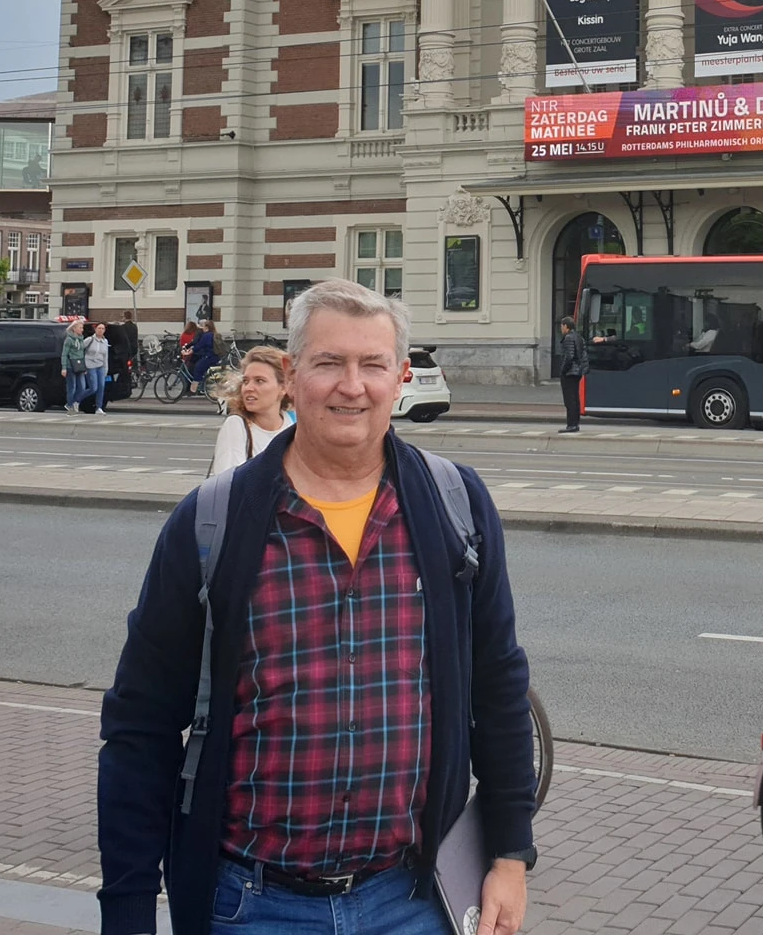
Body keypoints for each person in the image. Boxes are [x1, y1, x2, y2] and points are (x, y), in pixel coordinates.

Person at [98, 279, 536, 935]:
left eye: (372, 365)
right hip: (253, 904)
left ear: (401, 378)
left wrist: (509, 854)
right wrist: (128, 910)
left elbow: (499, 686)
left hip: (413, 900)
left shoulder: (456, 507)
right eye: (329, 363)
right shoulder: (211, 522)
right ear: (293, 375)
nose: (351, 386)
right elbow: (141, 728)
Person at [208, 346, 293, 478]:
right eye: (246, 381)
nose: (248, 388)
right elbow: (229, 486)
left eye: (259, 381)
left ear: (283, 388)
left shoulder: (293, 425)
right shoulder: (237, 425)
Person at [555, 316, 586, 434]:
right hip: (577, 371)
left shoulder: (568, 338)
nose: (561, 329)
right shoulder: (578, 337)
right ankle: (575, 423)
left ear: (566, 326)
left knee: (569, 400)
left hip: (570, 372)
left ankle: (571, 424)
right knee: (575, 398)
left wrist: (562, 370)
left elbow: (569, 356)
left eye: (561, 326)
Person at [85, 322, 111, 415]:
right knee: (94, 388)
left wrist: (105, 369)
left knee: (101, 387)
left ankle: (98, 407)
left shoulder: (105, 341)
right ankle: (77, 399)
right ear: (95, 329)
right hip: (90, 366)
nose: (101, 330)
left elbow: (105, 356)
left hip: (100, 366)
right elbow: (81, 350)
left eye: (102, 329)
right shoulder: (89, 340)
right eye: (99, 328)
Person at [62, 319, 88, 411]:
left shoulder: (81, 339)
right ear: (74, 328)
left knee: (82, 387)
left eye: (82, 328)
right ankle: (70, 405)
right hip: (70, 365)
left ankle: (76, 402)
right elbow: (64, 354)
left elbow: (82, 354)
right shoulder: (69, 340)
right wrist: (64, 367)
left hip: (79, 365)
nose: (82, 329)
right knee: (72, 387)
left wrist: (84, 367)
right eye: (80, 327)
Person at [186, 320, 216, 398]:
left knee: (198, 368)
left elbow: (199, 345)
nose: (202, 328)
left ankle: (193, 390)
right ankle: (203, 384)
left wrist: (190, 352)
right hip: (215, 357)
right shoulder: (214, 334)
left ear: (206, 327)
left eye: (203, 326)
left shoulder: (206, 335)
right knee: (203, 369)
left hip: (209, 357)